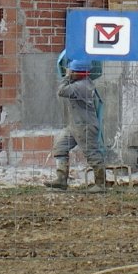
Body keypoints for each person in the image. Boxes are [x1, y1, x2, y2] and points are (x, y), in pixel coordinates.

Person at [45, 58, 107, 190]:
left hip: (85, 126)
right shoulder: (81, 82)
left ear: (78, 73)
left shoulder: (82, 86)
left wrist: (67, 77)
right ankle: (61, 179)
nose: (69, 71)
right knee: (60, 148)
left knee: (92, 154)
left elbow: (61, 91)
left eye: (72, 70)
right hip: (75, 125)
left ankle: (101, 184)